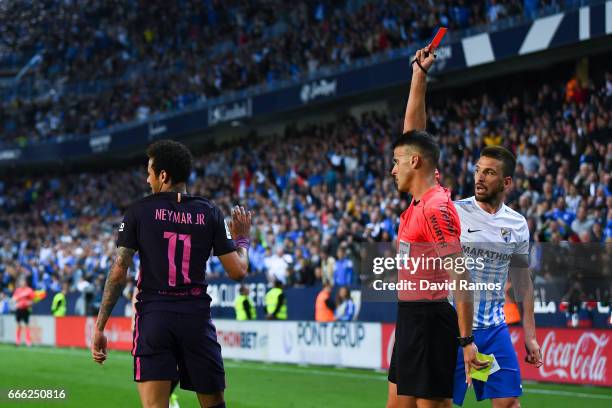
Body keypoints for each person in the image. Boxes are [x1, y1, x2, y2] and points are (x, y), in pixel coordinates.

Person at [91, 140, 252, 408]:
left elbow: (119, 271)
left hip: (154, 317)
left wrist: (99, 327)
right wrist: (243, 240)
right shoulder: (210, 212)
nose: (147, 178)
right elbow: (238, 271)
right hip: (196, 319)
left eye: (150, 171)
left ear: (163, 175)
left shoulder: (139, 212)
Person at [387, 47, 487, 408]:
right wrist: (418, 74)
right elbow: (413, 133)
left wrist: (466, 341)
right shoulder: (421, 196)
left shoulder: (436, 208)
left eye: (397, 162)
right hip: (410, 316)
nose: (392, 169)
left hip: (430, 321)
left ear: (414, 163)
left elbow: (460, 275)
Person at [452, 146, 543, 407]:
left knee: (508, 402)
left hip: (491, 332)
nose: (479, 177)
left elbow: (524, 285)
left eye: (489, 172)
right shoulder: (454, 212)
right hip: (452, 330)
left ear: (506, 182)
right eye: (478, 170)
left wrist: (530, 336)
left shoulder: (517, 224)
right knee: (437, 403)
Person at [13, 278, 35, 346]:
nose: (22, 283)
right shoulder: (18, 290)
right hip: (19, 309)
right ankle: (17, 341)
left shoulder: (29, 290)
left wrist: (28, 303)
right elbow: (14, 298)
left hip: (26, 309)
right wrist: (17, 300)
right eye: (21, 282)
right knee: (18, 325)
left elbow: (32, 300)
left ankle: (28, 341)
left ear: (26, 283)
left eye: (23, 282)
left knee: (27, 325)